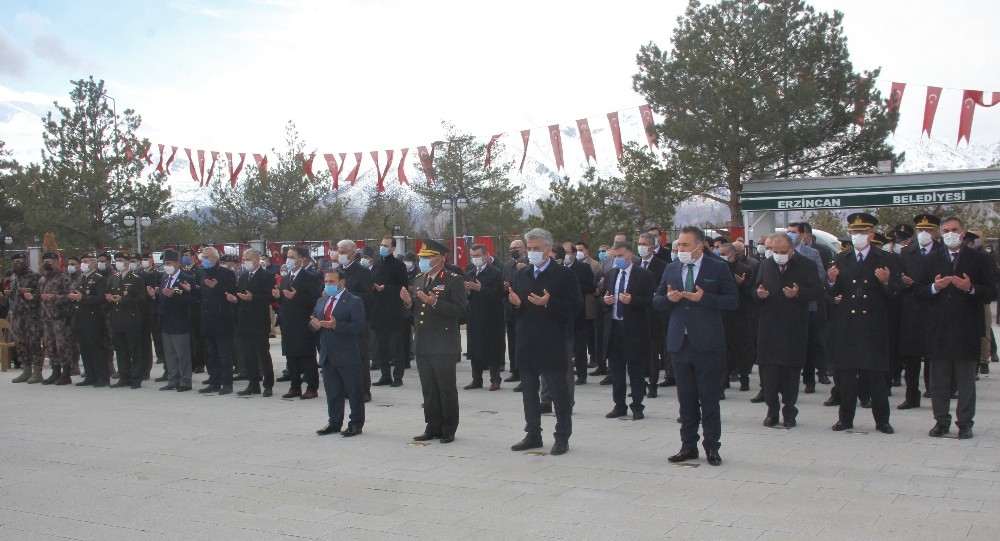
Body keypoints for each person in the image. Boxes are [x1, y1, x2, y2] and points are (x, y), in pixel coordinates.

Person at [653, 226, 738, 466]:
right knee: (686, 398)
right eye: (678, 245)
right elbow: (657, 300)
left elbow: (732, 301)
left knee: (709, 398)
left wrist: (705, 299)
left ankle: (712, 447)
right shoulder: (671, 268)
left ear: (699, 247)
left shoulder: (717, 268)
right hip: (680, 343)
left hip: (707, 343)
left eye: (685, 245)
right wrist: (667, 300)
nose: (680, 249)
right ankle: (687, 446)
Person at [917, 217, 998, 439]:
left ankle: (965, 423)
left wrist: (970, 287)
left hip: (967, 328)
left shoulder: (980, 259)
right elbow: (919, 291)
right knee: (939, 381)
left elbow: (993, 291)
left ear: (963, 233)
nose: (950, 234)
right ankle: (941, 421)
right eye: (946, 230)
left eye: (954, 230)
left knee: (965, 382)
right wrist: (935, 287)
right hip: (939, 329)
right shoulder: (932, 258)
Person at [507, 228, 583, 456]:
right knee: (529, 392)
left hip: (553, 342)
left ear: (548, 250)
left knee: (558, 393)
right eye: (529, 249)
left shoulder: (564, 275)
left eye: (536, 249)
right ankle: (533, 434)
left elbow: (576, 307)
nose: (531, 253)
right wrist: (516, 304)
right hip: (527, 341)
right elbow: (517, 310)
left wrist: (550, 303)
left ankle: (562, 436)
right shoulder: (522, 274)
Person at [826, 213, 899, 434]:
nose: (858, 236)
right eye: (855, 232)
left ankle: (882, 420)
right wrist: (830, 280)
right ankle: (845, 419)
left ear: (871, 234)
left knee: (876, 376)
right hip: (848, 323)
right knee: (846, 377)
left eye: (863, 232)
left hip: (873, 324)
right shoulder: (842, 257)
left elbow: (896, 292)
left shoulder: (885, 258)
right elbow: (835, 292)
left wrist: (886, 282)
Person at [753, 233, 824, 427]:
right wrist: (760, 294)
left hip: (793, 328)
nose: (778, 255)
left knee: (790, 376)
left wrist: (799, 293)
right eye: (775, 252)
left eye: (783, 252)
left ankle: (789, 412)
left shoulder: (806, 265)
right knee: (769, 376)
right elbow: (754, 289)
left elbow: (818, 290)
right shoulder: (766, 265)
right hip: (768, 328)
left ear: (792, 249)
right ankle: (772, 411)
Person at [402, 240, 467, 444]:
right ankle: (432, 425)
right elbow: (417, 312)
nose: (421, 261)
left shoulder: (452, 279)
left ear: (438, 259)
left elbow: (460, 311)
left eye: (425, 258)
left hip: (443, 343)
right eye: (421, 258)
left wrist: (435, 302)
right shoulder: (420, 278)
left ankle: (449, 427)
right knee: (428, 388)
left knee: (445, 387)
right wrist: (408, 302)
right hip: (423, 342)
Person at [601, 241, 655, 420]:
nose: (618, 259)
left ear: (630, 255)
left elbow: (651, 301)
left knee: (636, 370)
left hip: (635, 328)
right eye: (615, 256)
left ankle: (637, 405)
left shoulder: (644, 275)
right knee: (616, 370)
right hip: (615, 327)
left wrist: (633, 300)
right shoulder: (611, 274)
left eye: (621, 256)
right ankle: (619, 405)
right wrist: (606, 301)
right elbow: (605, 297)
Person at [313, 268, 368, 437]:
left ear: (341, 283)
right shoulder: (322, 301)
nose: (328, 284)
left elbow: (359, 327)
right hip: (328, 354)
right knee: (332, 391)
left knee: (353, 391)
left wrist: (337, 325)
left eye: (331, 281)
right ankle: (334, 422)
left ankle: (356, 423)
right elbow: (315, 320)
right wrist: (314, 325)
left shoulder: (353, 301)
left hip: (347, 354)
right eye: (326, 281)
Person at [275, 245, 322, 400]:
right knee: (291, 355)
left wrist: (296, 297)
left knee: (307, 356)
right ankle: (295, 386)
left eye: (292, 257)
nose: (289, 260)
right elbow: (284, 299)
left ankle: (311, 387)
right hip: (288, 322)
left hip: (303, 322)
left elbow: (315, 299)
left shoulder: (311, 277)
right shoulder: (287, 277)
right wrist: (277, 296)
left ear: (302, 260)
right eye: (287, 257)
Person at [229, 248, 276, 397]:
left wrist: (253, 298)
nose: (245, 262)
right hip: (244, 321)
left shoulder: (266, 276)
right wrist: (235, 299)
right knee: (248, 354)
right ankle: (253, 384)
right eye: (243, 259)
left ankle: (268, 385)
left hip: (259, 321)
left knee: (262, 354)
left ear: (256, 260)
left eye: (247, 259)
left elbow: (271, 298)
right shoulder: (243, 277)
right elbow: (241, 295)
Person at [195, 247, 238, 395]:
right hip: (207, 318)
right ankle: (214, 381)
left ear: (215, 258)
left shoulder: (226, 273)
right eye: (203, 257)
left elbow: (232, 292)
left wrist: (217, 287)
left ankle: (227, 383)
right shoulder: (202, 272)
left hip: (222, 318)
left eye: (207, 257)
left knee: (224, 354)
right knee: (211, 354)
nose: (204, 260)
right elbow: (201, 293)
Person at [463, 243, 506, 390]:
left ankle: (495, 379)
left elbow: (499, 294)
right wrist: (467, 291)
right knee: (475, 347)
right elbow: (467, 296)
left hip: (491, 315)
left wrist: (481, 289)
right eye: (473, 256)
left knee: (492, 347)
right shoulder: (469, 272)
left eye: (478, 255)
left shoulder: (496, 272)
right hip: (474, 315)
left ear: (486, 256)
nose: (475, 258)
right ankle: (477, 378)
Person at [153, 250, 195, 392]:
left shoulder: (186, 278)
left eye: (169, 263)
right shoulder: (164, 278)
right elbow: (162, 299)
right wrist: (155, 295)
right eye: (165, 263)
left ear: (177, 263)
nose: (167, 266)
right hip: (166, 321)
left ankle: (185, 381)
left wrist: (174, 296)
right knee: (169, 353)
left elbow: (191, 300)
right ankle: (173, 379)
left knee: (182, 353)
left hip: (180, 321)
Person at [338, 240, 374, 400]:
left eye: (343, 251)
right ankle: (347, 388)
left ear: (352, 253)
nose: (341, 255)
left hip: (357, 320)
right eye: (339, 251)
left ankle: (364, 390)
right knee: (344, 356)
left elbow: (368, 296)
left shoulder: (362, 272)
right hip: (339, 320)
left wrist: (346, 294)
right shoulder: (336, 271)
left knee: (360, 356)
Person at [371, 235, 409, 387]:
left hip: (393, 310)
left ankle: (398, 377)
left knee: (396, 346)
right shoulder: (377, 264)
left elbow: (403, 286)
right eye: (381, 244)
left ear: (393, 248)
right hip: (378, 310)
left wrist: (385, 288)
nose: (383, 248)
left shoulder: (399, 265)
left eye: (386, 246)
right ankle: (385, 375)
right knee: (381, 347)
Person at [106, 252, 147, 388]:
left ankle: (136, 378)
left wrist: (123, 299)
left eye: (121, 260)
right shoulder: (115, 278)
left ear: (128, 262)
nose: (119, 263)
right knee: (121, 350)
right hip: (117, 319)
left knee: (134, 350)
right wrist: (110, 298)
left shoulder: (136, 279)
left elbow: (141, 299)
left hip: (131, 319)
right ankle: (124, 376)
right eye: (117, 260)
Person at [70, 252, 110, 387]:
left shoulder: (99, 279)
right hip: (80, 318)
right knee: (85, 349)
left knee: (96, 349)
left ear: (93, 263)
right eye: (82, 262)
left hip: (93, 318)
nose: (83, 264)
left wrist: (83, 298)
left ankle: (102, 377)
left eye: (86, 261)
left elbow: (101, 298)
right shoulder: (81, 278)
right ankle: (90, 376)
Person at [718, 242, 753, 395]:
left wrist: (743, 284)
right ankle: (723, 381)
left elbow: (751, 293)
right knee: (724, 350)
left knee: (741, 348)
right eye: (720, 253)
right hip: (723, 314)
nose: (723, 256)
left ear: (733, 254)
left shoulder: (745, 269)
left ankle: (744, 377)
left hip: (740, 315)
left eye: (725, 253)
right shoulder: (718, 269)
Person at [37, 252, 75, 385]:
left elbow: (71, 296)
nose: (47, 263)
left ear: (56, 262)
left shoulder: (63, 278)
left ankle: (66, 373)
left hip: (60, 318)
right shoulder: (42, 279)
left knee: (62, 346)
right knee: (50, 346)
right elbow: (40, 296)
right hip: (46, 318)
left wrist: (55, 297)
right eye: (45, 261)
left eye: (50, 261)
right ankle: (55, 371)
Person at [562, 241, 596, 388]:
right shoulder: (558, 268)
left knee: (579, 345)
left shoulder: (583, 267)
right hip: (562, 312)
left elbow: (591, 287)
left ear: (574, 254)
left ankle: (582, 373)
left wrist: (572, 285)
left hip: (578, 312)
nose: (565, 256)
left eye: (568, 253)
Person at [6, 253, 43, 384]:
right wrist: (10, 293)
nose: (18, 264)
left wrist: (28, 294)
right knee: (20, 343)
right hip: (16, 315)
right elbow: (14, 294)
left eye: (20, 261)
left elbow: (40, 295)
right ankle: (26, 370)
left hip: (31, 315)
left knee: (34, 343)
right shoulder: (14, 277)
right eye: (15, 261)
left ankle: (37, 372)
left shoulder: (35, 276)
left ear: (26, 261)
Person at [503, 239, 527, 386]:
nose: (514, 250)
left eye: (516, 248)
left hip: (524, 307)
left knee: (522, 342)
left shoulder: (528, 264)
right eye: (511, 248)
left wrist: (524, 270)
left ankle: (524, 372)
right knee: (512, 342)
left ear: (523, 249)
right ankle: (514, 370)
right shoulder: (507, 266)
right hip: (510, 307)